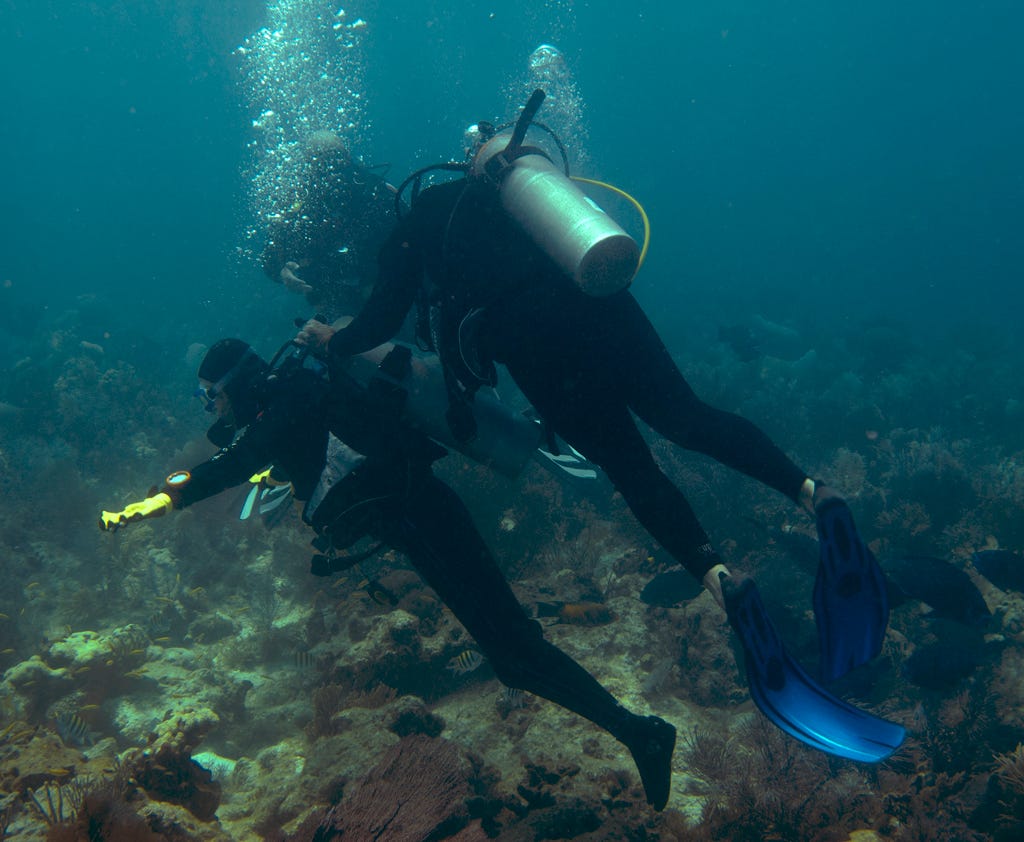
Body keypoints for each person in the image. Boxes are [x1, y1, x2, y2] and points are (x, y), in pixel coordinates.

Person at [294, 97, 904, 762]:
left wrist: (335, 339)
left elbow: (383, 322)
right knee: (688, 418)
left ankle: (720, 578)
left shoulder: (425, 213)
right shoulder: (540, 202)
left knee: (629, 465)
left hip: (534, 344)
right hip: (601, 305)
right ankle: (813, 493)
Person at [98, 337, 677, 810]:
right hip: (417, 514)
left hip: (419, 514)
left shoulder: (291, 397)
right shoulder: (295, 399)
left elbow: (239, 462)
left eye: (211, 397)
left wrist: (163, 500)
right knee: (512, 652)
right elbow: (270, 458)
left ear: (236, 385)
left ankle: (640, 733)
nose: (212, 410)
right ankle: (637, 732)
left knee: (514, 654)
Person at [262, 131, 399, 320]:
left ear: (347, 157)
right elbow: (271, 255)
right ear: (309, 165)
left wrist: (374, 279)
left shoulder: (376, 192)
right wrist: (282, 271)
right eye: (319, 161)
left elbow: (412, 238)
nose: (329, 168)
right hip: (331, 303)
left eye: (334, 158)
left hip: (389, 296)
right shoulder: (300, 203)